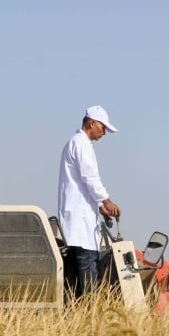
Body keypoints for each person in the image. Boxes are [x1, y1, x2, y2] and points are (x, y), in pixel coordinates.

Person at [57, 105, 121, 298]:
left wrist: (100, 207)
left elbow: (82, 183)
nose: (104, 132)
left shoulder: (76, 143)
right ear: (91, 123)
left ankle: (75, 312)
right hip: (80, 220)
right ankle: (90, 310)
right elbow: (89, 177)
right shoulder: (81, 143)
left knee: (73, 273)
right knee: (87, 266)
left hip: (78, 217)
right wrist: (106, 201)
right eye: (103, 127)